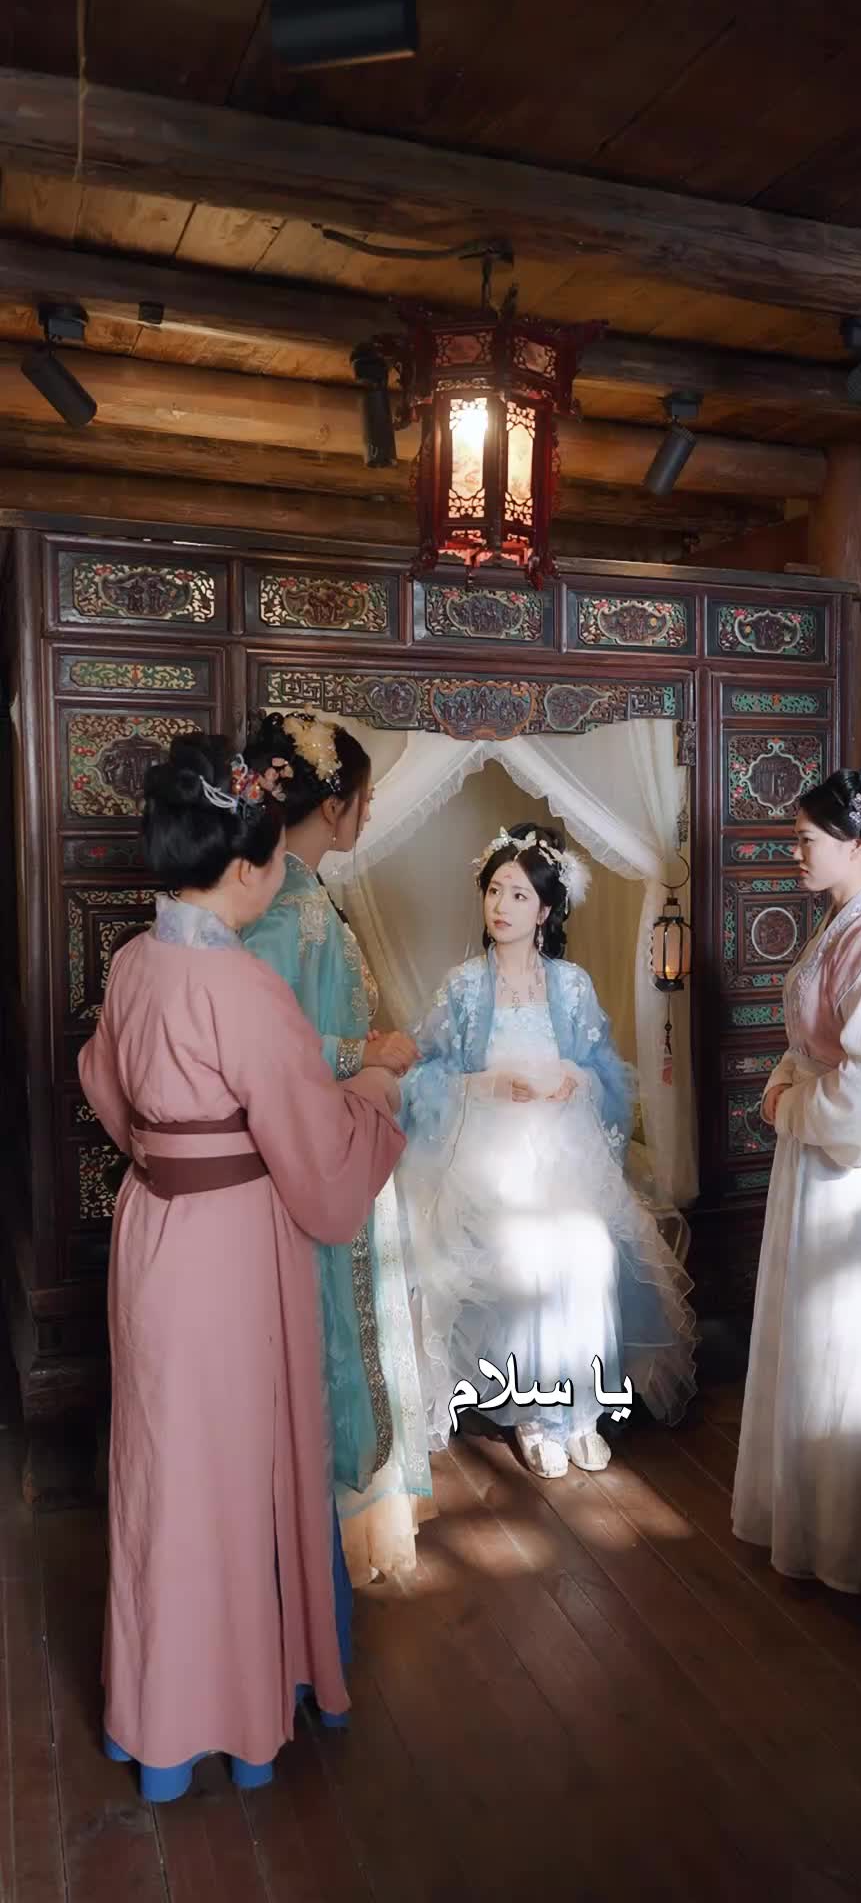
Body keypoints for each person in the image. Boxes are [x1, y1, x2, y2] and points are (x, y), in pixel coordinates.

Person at [78, 733, 404, 1801]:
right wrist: (377, 1099)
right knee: (230, 1476)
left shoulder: (134, 962)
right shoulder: (245, 987)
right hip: (228, 1249)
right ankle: (230, 1722)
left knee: (160, 1471)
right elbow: (317, 1157)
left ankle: (150, 1720)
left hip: (152, 1232)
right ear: (253, 867)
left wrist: (170, 1154)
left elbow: (105, 1085)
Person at [398, 821, 696, 1478]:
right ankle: (535, 1414)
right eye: (494, 891)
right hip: (483, 1158)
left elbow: (607, 1074)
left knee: (588, 1250)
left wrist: (576, 1079)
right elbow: (422, 1076)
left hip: (561, 1155)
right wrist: (481, 1084)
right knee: (528, 1255)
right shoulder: (463, 987)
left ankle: (581, 1409)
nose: (501, 906)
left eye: (519, 895)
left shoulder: (572, 986)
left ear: (546, 911)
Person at [731, 767, 861, 1595]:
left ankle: (849, 1536)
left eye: (806, 839)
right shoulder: (842, 924)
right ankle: (810, 1520)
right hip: (817, 1150)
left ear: (855, 843)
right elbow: (815, 1042)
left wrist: (787, 1105)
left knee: (841, 1332)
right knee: (810, 1330)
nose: (796, 853)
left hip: (851, 1165)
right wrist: (788, 1083)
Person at [241, 711, 433, 1584]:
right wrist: (366, 1052)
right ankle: (314, 1534)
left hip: (339, 1135)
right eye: (364, 798)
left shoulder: (303, 894)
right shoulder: (289, 909)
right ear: (332, 805)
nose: (368, 813)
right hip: (312, 1148)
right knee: (325, 1323)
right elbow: (260, 1046)